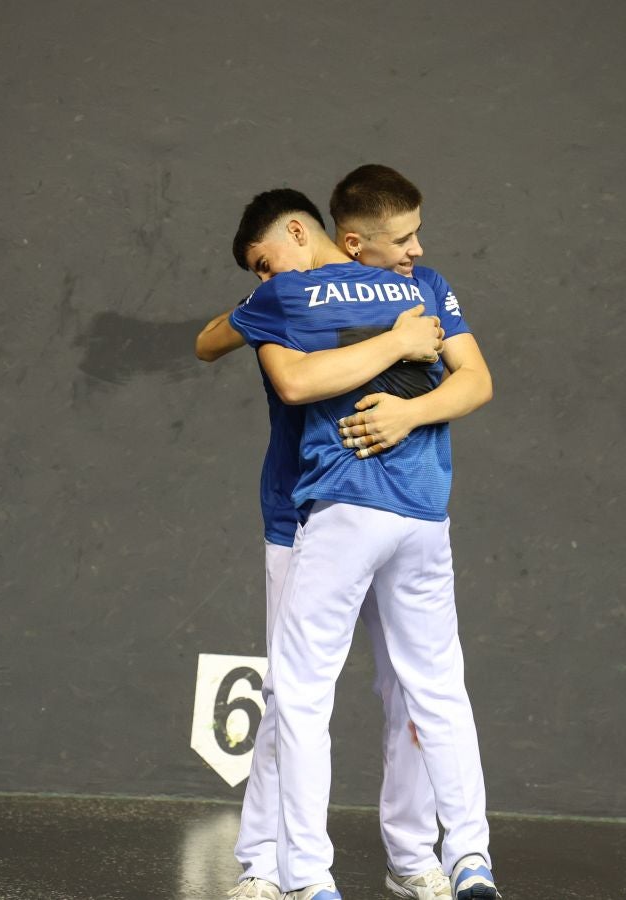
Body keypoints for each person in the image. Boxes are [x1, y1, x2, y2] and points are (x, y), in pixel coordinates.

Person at [228, 188, 498, 900]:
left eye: (264, 265)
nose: (416, 250)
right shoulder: (419, 291)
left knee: (306, 694)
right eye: (404, 235)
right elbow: (231, 347)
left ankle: (324, 875)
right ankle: (462, 856)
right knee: (429, 689)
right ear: (355, 240)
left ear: (305, 233)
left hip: (347, 511)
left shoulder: (299, 295)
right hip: (404, 512)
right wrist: (401, 343)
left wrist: (406, 413)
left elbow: (289, 378)